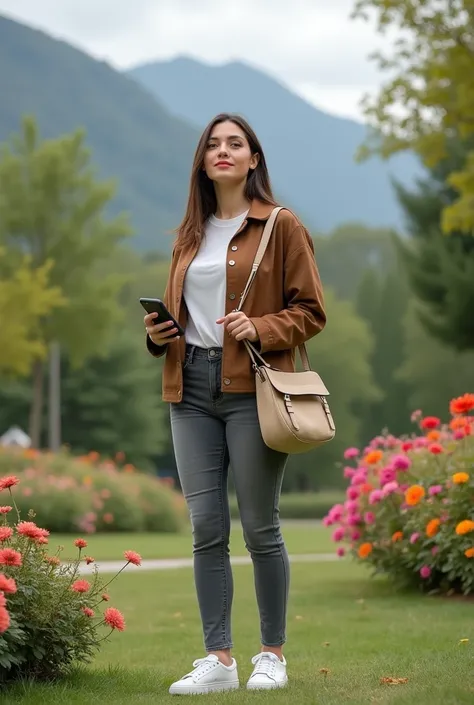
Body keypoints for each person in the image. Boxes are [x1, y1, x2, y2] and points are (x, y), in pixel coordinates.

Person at [144, 113, 326, 695]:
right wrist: (157, 335)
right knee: (205, 527)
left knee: (260, 527)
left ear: (253, 159)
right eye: (213, 145)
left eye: (236, 144)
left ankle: (270, 654)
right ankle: (218, 659)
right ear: (202, 161)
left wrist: (261, 327)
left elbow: (311, 313)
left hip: (252, 388)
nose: (223, 151)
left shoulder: (281, 225)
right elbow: (184, 315)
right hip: (188, 388)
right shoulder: (188, 235)